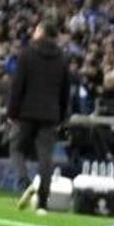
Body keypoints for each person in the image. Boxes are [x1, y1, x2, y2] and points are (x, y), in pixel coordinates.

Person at [8, 22, 72, 210]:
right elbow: (65, 91)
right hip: (50, 114)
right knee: (45, 158)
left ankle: (25, 184)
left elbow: (17, 86)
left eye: (36, 29)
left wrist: (12, 111)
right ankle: (43, 202)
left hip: (26, 112)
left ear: (42, 32)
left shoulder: (27, 53)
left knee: (16, 149)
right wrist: (61, 116)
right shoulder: (61, 58)